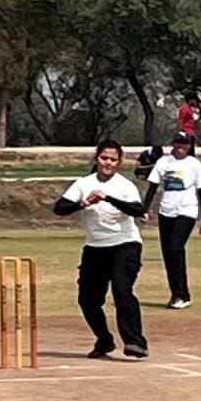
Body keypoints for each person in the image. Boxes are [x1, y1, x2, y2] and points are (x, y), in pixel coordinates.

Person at [56, 141, 153, 360]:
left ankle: (135, 342)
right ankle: (104, 339)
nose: (107, 163)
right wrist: (83, 203)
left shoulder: (125, 185)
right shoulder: (84, 183)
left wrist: (107, 198)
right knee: (87, 299)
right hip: (95, 248)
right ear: (96, 158)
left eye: (113, 159)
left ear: (119, 162)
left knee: (121, 289)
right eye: (104, 158)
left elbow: (137, 209)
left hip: (125, 244)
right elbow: (60, 208)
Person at [147, 135, 201, 307]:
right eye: (178, 143)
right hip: (166, 211)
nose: (181, 147)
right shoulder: (163, 162)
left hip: (186, 211)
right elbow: (152, 187)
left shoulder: (195, 164)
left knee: (175, 247)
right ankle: (178, 294)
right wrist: (144, 209)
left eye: (185, 144)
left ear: (189, 146)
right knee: (168, 253)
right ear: (173, 144)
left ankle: (181, 295)